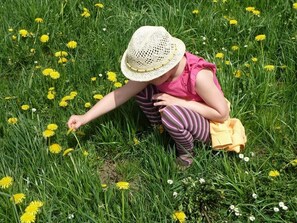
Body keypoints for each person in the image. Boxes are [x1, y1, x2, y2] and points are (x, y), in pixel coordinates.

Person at [67, 26, 230, 166]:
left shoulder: (198, 77)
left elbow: (222, 114)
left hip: (209, 124)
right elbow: (120, 94)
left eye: (151, 76)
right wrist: (85, 117)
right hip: (181, 111)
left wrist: (179, 102)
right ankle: (161, 128)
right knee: (142, 90)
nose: (147, 80)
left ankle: (186, 153)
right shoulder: (161, 68)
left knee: (172, 113)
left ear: (166, 68)